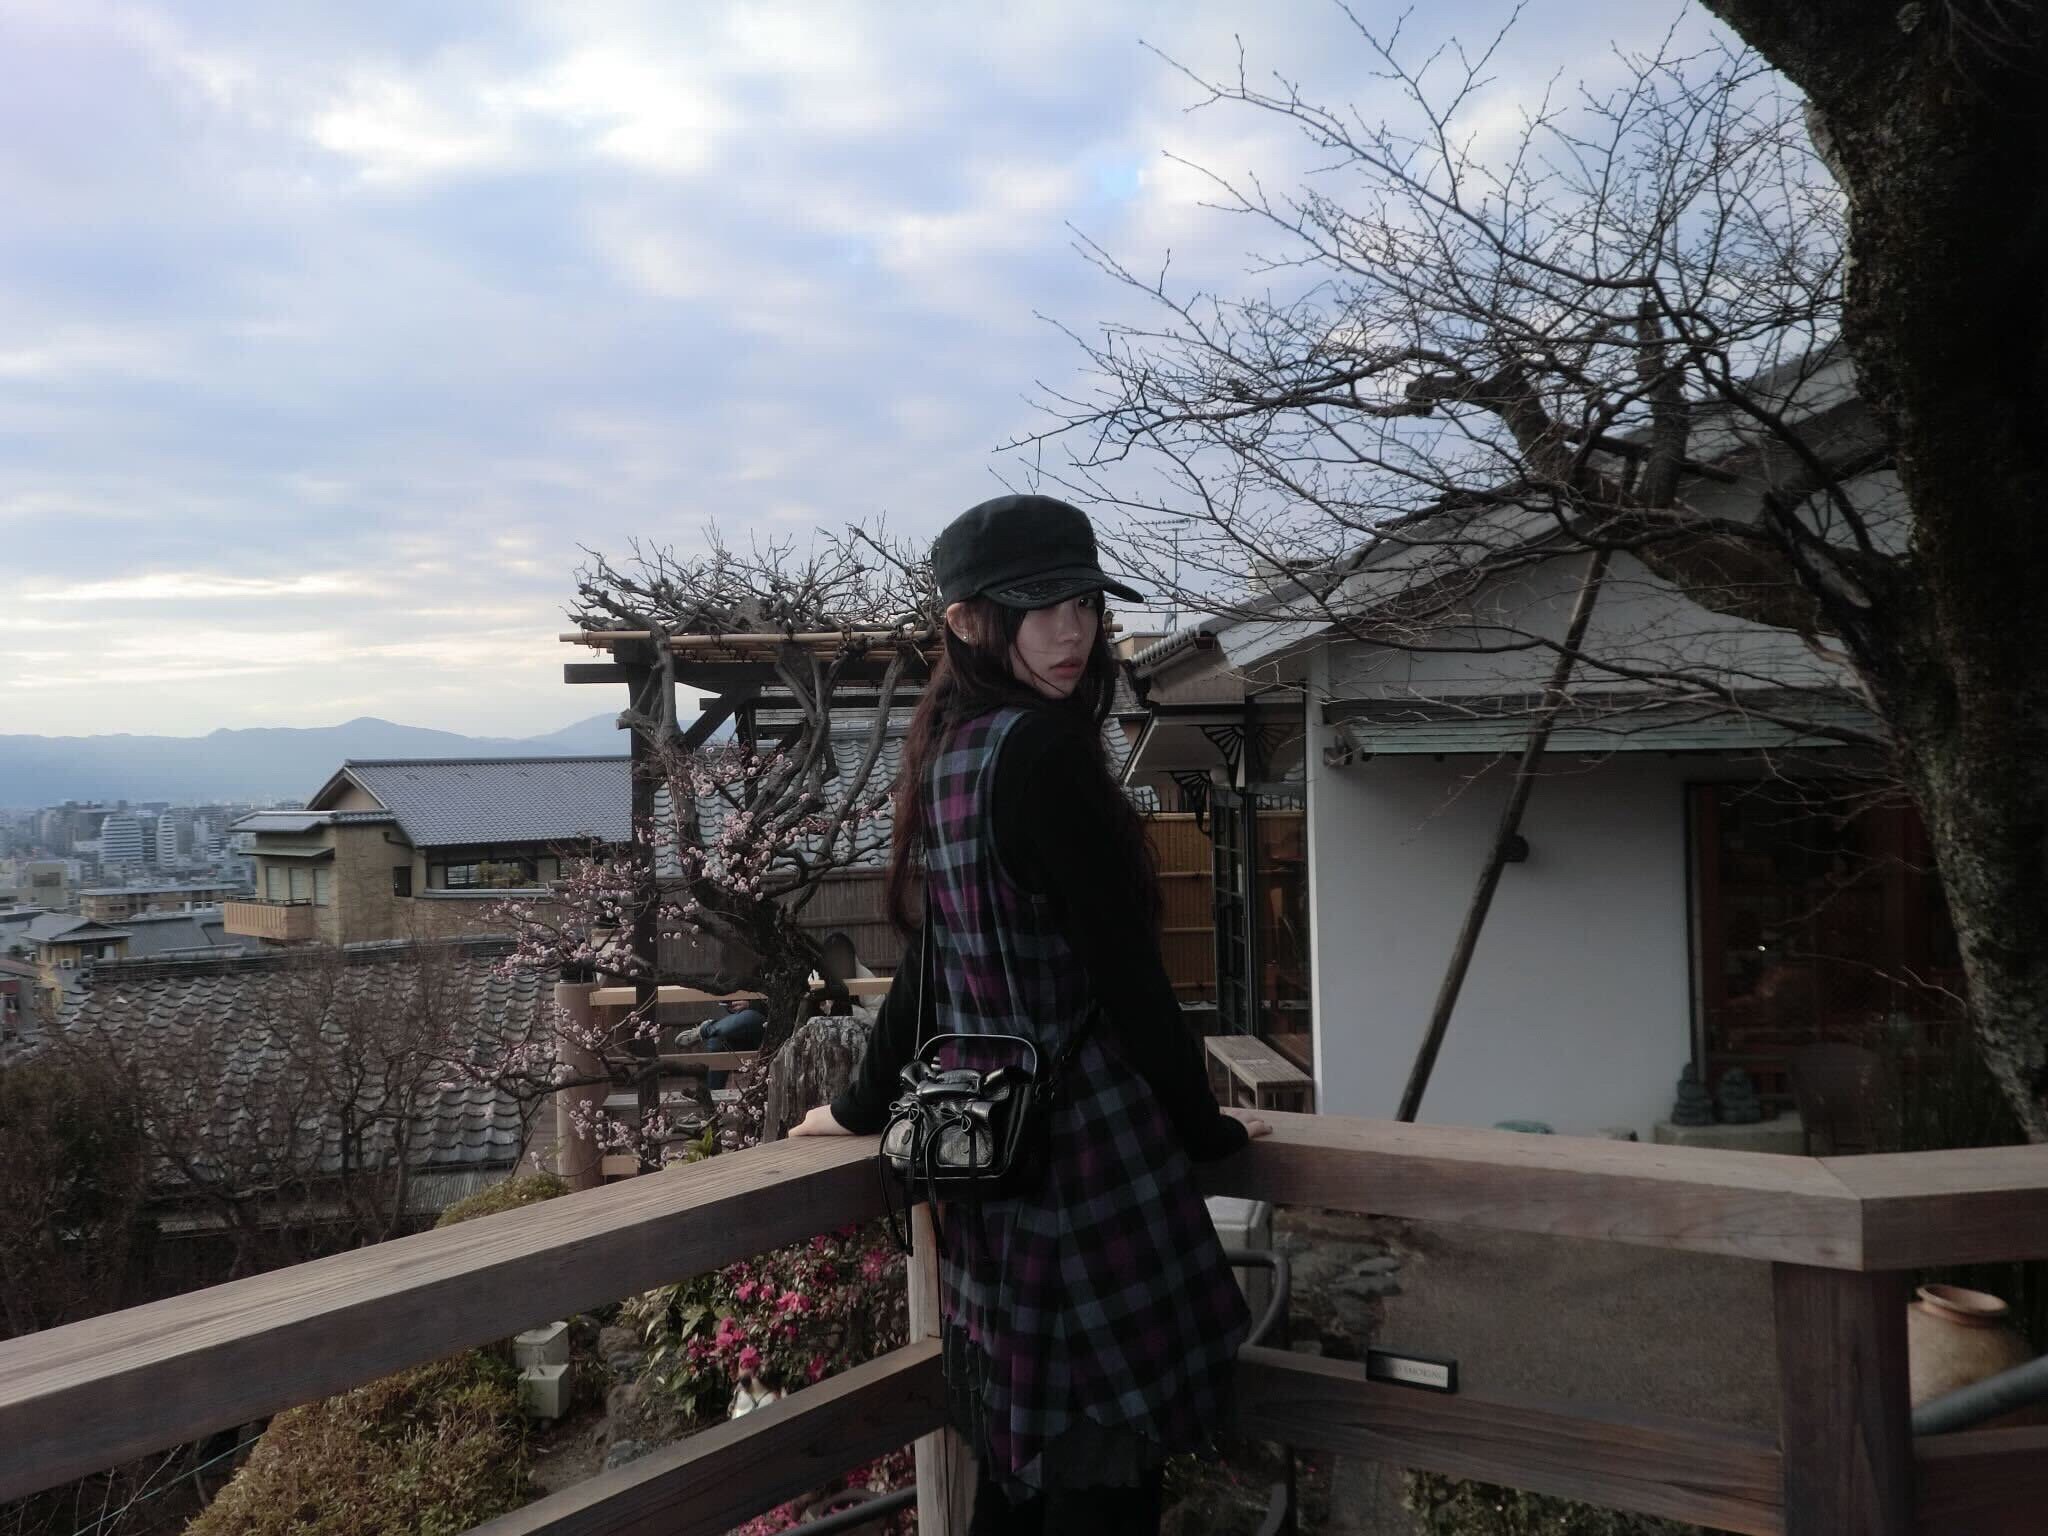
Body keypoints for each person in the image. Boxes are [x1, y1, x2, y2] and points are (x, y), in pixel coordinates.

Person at [790, 493, 1270, 1535]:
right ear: (966, 621)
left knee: (1027, 1466)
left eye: (1085, 603)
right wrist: (1205, 1130)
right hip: (1089, 1159)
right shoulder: (1046, 752)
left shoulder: (951, 753)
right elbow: (1129, 980)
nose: (1073, 630)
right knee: (1105, 1471)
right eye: (1040, 606)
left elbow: (929, 961)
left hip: (991, 1162)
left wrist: (861, 1105)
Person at [696, 999, 765, 1089]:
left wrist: (751, 1005)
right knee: (717, 1041)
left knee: (750, 1017)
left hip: (766, 1024)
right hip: (746, 1024)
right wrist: (733, 1004)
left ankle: (705, 1029)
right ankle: (713, 1093)